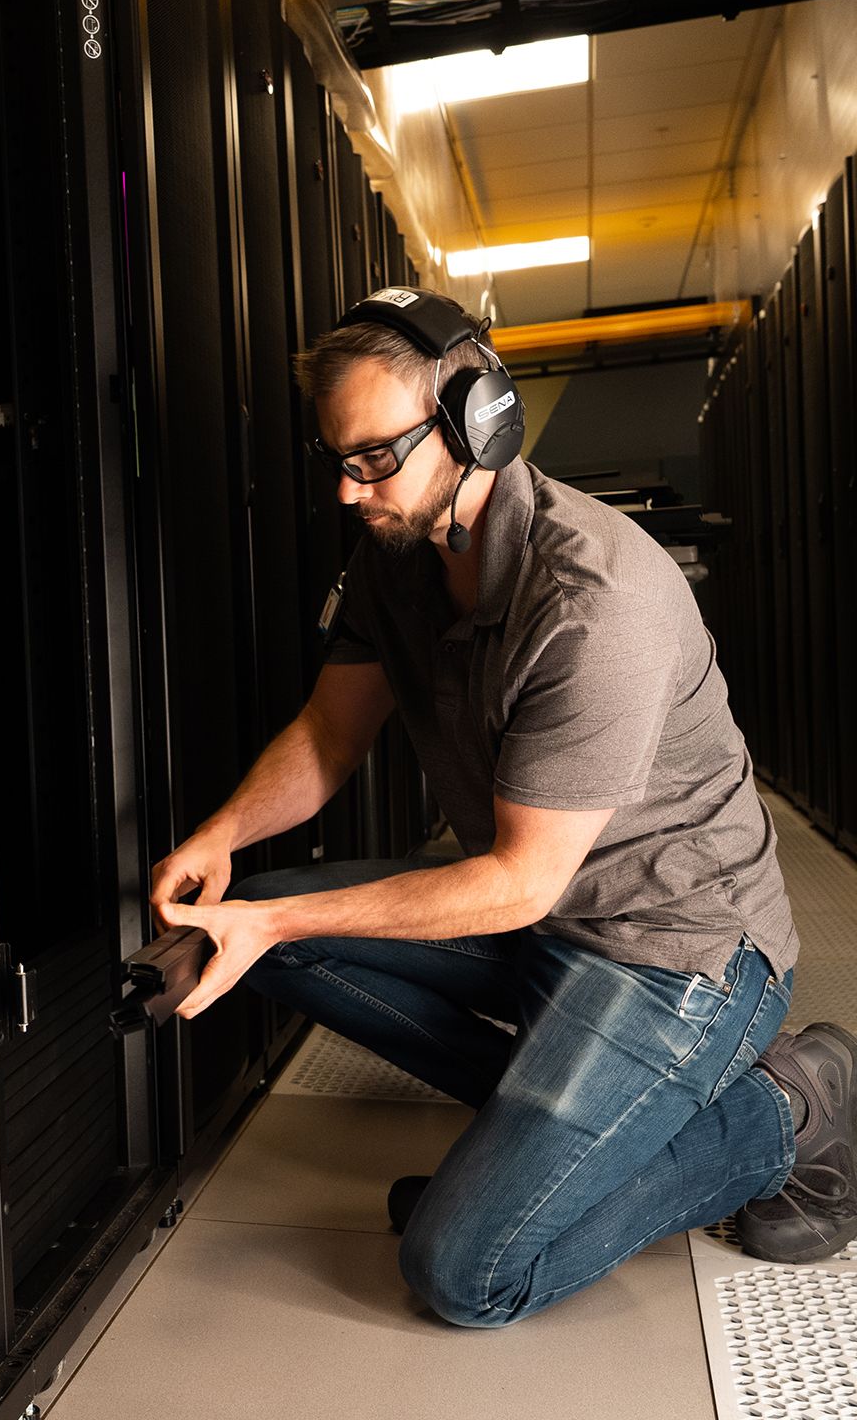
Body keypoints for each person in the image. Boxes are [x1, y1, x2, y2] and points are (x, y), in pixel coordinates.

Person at [146, 285, 854, 1328]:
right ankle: (575, 1131)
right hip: (542, 924)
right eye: (335, 462)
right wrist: (217, 839)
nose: (349, 491)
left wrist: (279, 917)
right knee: (258, 927)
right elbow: (328, 735)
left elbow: (517, 881)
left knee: (466, 1273)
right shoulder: (397, 554)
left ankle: (789, 1106)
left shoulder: (591, 599)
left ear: (481, 421)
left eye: (372, 458)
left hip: (675, 954)